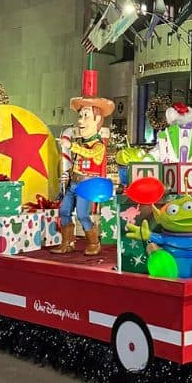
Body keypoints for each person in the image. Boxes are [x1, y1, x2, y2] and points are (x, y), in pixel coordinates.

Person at [51, 87, 114, 256]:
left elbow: (89, 154)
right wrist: (68, 175)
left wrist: (71, 145)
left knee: (82, 214)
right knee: (64, 211)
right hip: (73, 183)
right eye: (80, 116)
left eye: (86, 116)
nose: (80, 121)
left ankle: (94, 243)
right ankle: (67, 242)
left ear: (97, 119)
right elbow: (77, 161)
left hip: (86, 186)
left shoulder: (98, 146)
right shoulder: (81, 143)